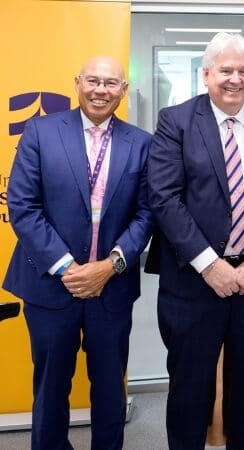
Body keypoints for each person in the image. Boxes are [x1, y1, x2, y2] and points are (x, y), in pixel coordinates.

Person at [146, 32, 244, 449]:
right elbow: (164, 197)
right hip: (193, 282)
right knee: (189, 388)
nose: (235, 79)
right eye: (225, 70)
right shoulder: (176, 121)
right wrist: (209, 264)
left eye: (243, 71)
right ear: (206, 74)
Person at [3, 56, 153, 449]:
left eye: (111, 83)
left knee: (108, 386)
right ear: (77, 83)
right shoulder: (40, 131)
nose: (101, 90)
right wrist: (69, 268)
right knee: (51, 386)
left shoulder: (141, 143)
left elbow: (148, 212)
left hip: (112, 287)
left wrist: (111, 265)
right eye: (93, 81)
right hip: (52, 287)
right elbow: (22, 205)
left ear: (123, 90)